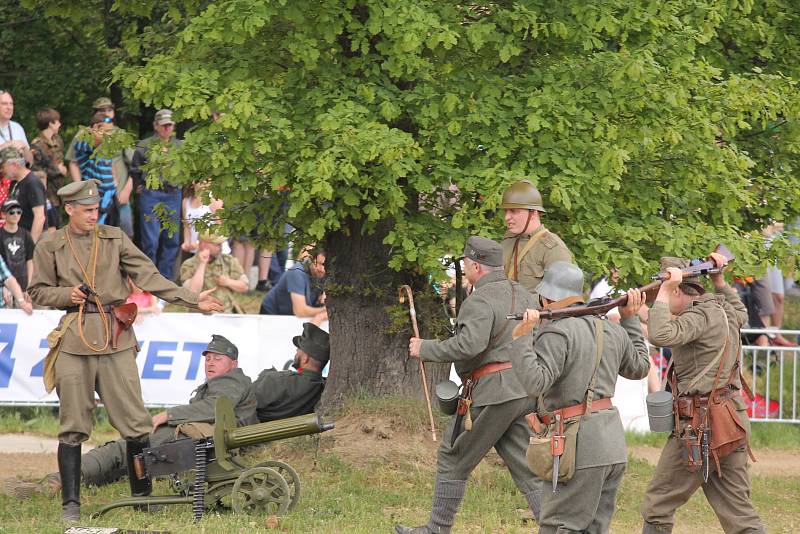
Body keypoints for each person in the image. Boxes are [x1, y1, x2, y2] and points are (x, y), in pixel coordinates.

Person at [27, 179, 223, 521]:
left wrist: (192, 299)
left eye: (96, 209)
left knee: (135, 422)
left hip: (116, 337)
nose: (94, 215)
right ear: (69, 209)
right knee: (72, 423)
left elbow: (149, 276)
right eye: (86, 210)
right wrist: (64, 295)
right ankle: (71, 505)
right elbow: (38, 291)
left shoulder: (114, 238)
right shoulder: (50, 245)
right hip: (75, 340)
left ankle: (142, 497)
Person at [396, 236, 540, 534]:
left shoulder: (480, 299)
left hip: (493, 392)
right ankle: (559, 528)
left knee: (453, 456)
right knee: (529, 469)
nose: (465, 267)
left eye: (466, 263)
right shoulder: (525, 295)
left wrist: (425, 348)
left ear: (476, 266)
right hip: (525, 389)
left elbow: (468, 346)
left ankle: (437, 529)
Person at [503, 261, 651, 533]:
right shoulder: (612, 329)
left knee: (558, 526)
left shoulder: (557, 331)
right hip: (611, 446)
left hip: (577, 447)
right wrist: (629, 318)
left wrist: (521, 339)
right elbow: (641, 367)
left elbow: (535, 383)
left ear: (548, 297)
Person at [6, 334, 256, 496]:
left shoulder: (232, 381)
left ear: (232, 363)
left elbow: (212, 407)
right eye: (207, 358)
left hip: (197, 440)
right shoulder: (230, 381)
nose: (210, 363)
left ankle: (54, 483)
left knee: (122, 451)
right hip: (197, 439)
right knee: (125, 457)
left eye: (218, 359)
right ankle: (61, 482)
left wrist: (167, 415)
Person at [640, 253, 765, 534]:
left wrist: (662, 290)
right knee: (740, 516)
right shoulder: (722, 309)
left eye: (665, 294)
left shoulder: (698, 315)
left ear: (676, 289)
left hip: (700, 427)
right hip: (730, 423)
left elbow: (660, 334)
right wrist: (719, 279)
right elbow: (741, 312)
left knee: (657, 506)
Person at [130, 109, 183, 279]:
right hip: (151, 194)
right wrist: (138, 186)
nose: (167, 128)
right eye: (164, 125)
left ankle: (165, 280)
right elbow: (134, 168)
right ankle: (150, 279)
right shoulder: (144, 145)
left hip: (173, 194)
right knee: (150, 240)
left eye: (170, 125)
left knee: (172, 239)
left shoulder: (180, 146)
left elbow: (187, 170)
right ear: (156, 125)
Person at [500, 180, 572, 303]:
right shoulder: (507, 242)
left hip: (537, 320)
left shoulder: (553, 248)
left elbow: (560, 299)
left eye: (513, 211)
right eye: (506, 211)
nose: (507, 217)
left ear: (532, 213)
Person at [252, 322, 328, 422]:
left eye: (298, 350)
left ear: (305, 358)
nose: (296, 351)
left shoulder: (277, 381)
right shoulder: (323, 388)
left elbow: (242, 403)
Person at [67, 111, 127, 228]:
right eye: (106, 131)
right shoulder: (83, 140)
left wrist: (115, 182)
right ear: (95, 127)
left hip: (110, 195)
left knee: (112, 230)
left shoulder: (105, 145)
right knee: (94, 230)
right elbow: (95, 141)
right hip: (95, 195)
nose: (108, 135)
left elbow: (110, 163)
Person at [180, 232, 248, 313]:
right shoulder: (189, 265)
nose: (221, 247)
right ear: (203, 245)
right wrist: (202, 263)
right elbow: (193, 292)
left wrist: (228, 282)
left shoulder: (228, 261)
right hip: (201, 316)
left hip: (226, 313)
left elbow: (245, 287)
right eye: (217, 244)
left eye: (221, 244)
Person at [259, 247, 327, 324]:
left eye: (325, 265)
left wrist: (321, 316)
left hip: (293, 316)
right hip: (272, 314)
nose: (322, 269)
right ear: (310, 259)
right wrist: (326, 310)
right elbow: (300, 311)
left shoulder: (327, 272)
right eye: (319, 264)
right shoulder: (297, 272)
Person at [30, 107, 68, 232]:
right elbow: (37, 172)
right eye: (57, 121)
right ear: (50, 123)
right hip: (47, 193)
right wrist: (58, 170)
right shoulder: (37, 144)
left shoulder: (58, 140)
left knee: (59, 225)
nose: (59, 124)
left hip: (59, 191)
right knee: (50, 227)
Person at [1, 147, 47, 242]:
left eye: (3, 166)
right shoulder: (15, 183)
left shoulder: (32, 183)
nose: (2, 170)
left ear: (14, 165)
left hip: (36, 239)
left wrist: (30, 245)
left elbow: (40, 217)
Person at [0, 200, 34, 292]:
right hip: (5, 285)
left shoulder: (26, 235)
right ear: (3, 215)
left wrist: (29, 284)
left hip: (23, 284)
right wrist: (2, 286)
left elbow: (30, 260)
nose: (15, 215)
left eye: (18, 212)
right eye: (11, 212)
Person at [0, 90, 32, 164]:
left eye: (11, 104)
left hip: (18, 173)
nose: (9, 107)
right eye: (4, 104)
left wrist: (24, 147)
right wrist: (6, 147)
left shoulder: (17, 127)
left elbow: (30, 162)